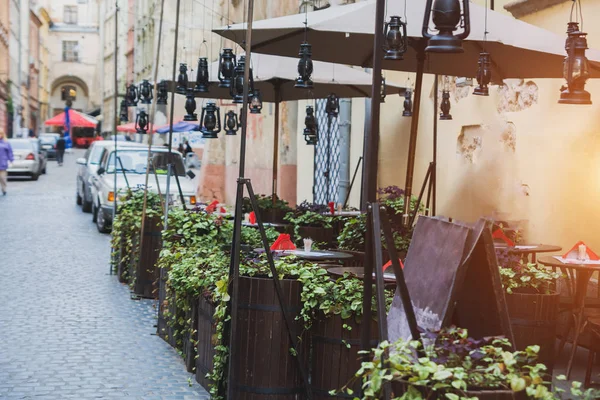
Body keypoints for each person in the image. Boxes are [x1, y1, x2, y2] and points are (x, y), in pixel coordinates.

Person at [0, 129, 14, 196]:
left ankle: (4, 189)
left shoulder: (6, 143)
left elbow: (10, 152)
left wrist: (11, 160)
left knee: (2, 178)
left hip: (2, 164)